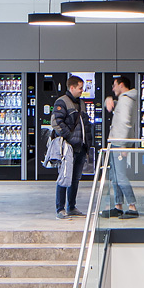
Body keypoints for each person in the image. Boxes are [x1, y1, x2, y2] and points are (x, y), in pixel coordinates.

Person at [51, 75, 90, 219]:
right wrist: (70, 137)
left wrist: (87, 143)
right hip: (68, 147)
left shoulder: (82, 103)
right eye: (80, 88)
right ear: (72, 87)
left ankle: (71, 207)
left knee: (75, 178)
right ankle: (60, 209)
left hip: (81, 147)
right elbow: (56, 122)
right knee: (64, 177)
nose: (82, 90)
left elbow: (85, 124)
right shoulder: (62, 102)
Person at [101, 74, 139, 218]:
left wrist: (123, 145)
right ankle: (118, 205)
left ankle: (132, 206)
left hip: (119, 144)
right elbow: (113, 106)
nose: (113, 88)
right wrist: (108, 100)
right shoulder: (125, 100)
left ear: (121, 85)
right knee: (115, 176)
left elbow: (124, 123)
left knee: (120, 176)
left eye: (114, 85)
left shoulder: (125, 101)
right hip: (116, 143)